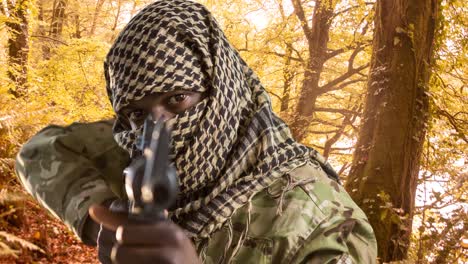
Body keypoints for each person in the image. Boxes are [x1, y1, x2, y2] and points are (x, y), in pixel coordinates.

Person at [15, 0, 377, 263]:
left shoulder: (325, 225)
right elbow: (38, 151)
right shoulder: (134, 145)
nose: (160, 125)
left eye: (177, 99)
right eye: (138, 113)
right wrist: (101, 218)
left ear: (221, 85)